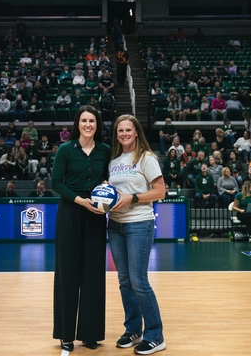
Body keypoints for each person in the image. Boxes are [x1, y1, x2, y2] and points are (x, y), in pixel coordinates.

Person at [51, 105, 111, 352]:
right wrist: (79, 200)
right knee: (68, 274)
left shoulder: (105, 151)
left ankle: (90, 332)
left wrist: (106, 187)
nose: (88, 124)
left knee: (93, 274)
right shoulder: (66, 150)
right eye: (84, 120)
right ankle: (66, 334)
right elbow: (56, 183)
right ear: (78, 123)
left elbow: (109, 178)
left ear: (97, 125)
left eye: (92, 121)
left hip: (96, 214)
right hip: (71, 213)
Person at [107, 114, 166, 355]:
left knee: (139, 280)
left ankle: (155, 335)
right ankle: (133, 329)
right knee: (125, 281)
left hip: (139, 223)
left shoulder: (146, 158)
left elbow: (160, 191)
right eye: (120, 130)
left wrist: (132, 198)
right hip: (116, 224)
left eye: (128, 130)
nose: (124, 134)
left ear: (136, 132)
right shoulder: (114, 161)